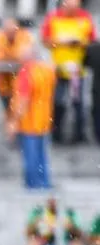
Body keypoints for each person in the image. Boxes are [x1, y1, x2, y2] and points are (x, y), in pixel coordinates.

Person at [41, 0, 95, 144]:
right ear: (63, 5)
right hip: (59, 68)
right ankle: (56, 134)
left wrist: (80, 43)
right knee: (58, 102)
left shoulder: (85, 17)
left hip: (78, 69)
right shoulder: (53, 18)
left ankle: (79, 135)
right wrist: (60, 42)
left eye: (76, 7)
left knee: (78, 103)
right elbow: (45, 41)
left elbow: (92, 41)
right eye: (70, 7)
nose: (73, 11)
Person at [7, 44, 56, 189]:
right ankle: (44, 182)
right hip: (44, 118)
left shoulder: (26, 72)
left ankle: (33, 183)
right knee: (41, 154)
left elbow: (23, 100)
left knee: (31, 155)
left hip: (29, 120)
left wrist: (14, 121)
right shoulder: (46, 71)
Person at [0, 19, 33, 118]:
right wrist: (15, 59)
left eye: (13, 32)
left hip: (20, 84)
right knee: (9, 112)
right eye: (8, 32)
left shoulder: (24, 36)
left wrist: (8, 58)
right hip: (3, 84)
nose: (10, 34)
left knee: (20, 112)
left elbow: (24, 57)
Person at [83, 39, 100, 144]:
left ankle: (98, 135)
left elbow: (85, 63)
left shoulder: (93, 48)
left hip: (97, 87)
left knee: (97, 112)